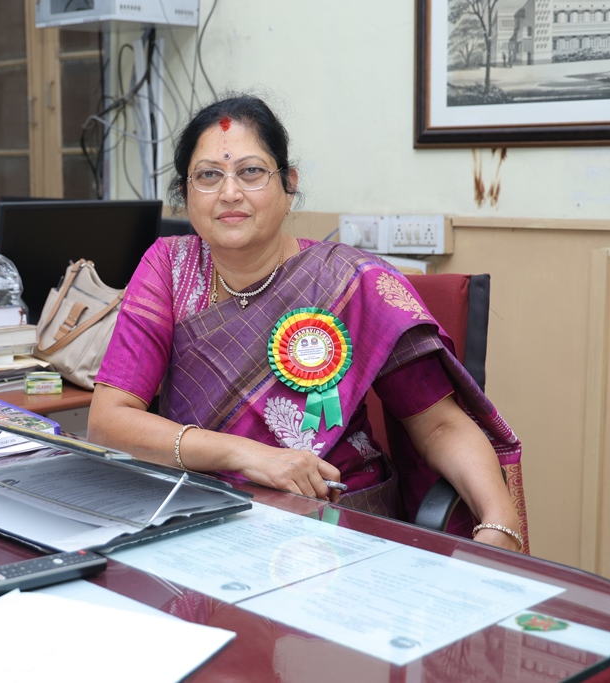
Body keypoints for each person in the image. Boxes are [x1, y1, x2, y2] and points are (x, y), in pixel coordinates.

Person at [87, 94, 525, 552]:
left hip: (338, 522)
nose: (230, 193)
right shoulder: (168, 268)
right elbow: (108, 422)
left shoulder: (350, 282)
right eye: (209, 175)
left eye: (251, 172)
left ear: (288, 183)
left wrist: (500, 517)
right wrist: (250, 456)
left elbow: (438, 426)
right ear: (186, 192)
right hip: (202, 518)